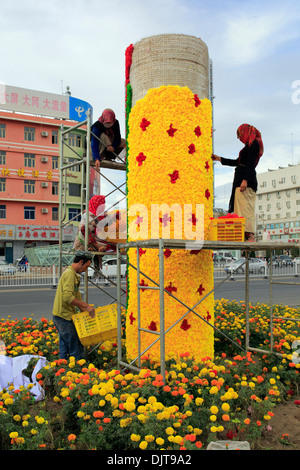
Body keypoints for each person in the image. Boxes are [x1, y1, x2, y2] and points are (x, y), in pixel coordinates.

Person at [212, 123, 264, 242]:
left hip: (246, 181)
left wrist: (245, 180)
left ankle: (249, 234)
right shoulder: (248, 145)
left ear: (246, 132)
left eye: (240, 135)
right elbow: (238, 162)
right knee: (240, 209)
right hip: (241, 179)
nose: (239, 138)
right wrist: (220, 159)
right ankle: (245, 234)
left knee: (246, 209)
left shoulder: (253, 144)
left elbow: (250, 164)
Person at [52, 252, 95, 360]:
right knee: (76, 347)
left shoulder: (74, 275)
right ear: (81, 262)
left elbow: (77, 297)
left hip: (62, 316)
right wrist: (87, 306)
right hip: (63, 317)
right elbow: (67, 298)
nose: (86, 270)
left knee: (65, 348)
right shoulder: (69, 274)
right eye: (86, 266)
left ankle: (63, 372)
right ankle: (78, 373)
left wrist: (85, 311)